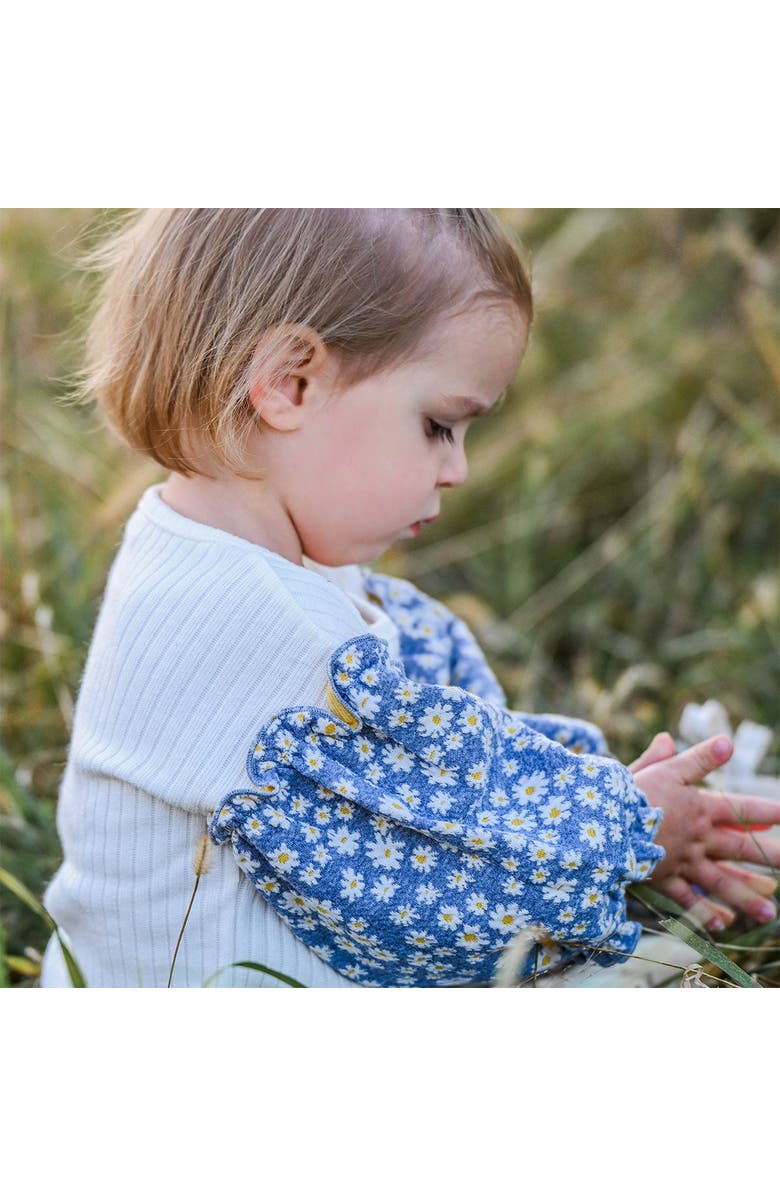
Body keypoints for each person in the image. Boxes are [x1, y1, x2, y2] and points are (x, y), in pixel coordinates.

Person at [40, 209, 780, 987]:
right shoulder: (248, 621)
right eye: (438, 426)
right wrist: (622, 829)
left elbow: (445, 773)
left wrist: (602, 797)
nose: (456, 469)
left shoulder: (208, 549)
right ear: (290, 383)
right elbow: (436, 859)